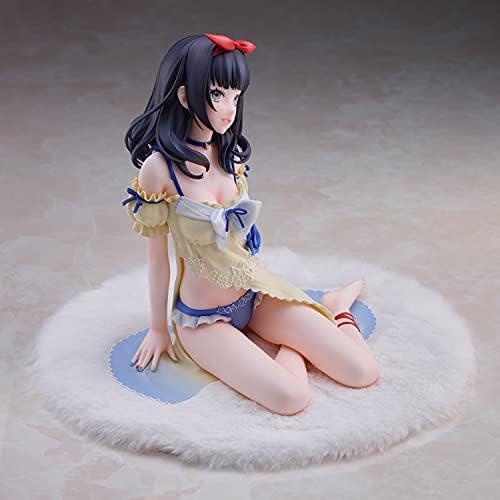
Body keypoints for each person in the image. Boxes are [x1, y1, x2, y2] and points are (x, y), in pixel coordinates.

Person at [122, 33, 380, 415]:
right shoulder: (159, 170)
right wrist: (159, 327)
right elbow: (158, 260)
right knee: (292, 398)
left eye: (236, 96)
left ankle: (336, 306)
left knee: (363, 372)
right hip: (204, 321)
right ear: (184, 96)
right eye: (217, 95)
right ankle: (293, 348)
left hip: (255, 295)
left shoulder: (231, 155)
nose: (229, 109)